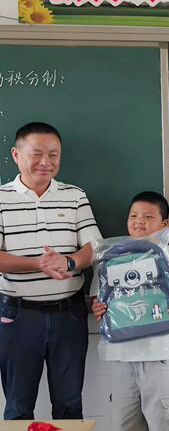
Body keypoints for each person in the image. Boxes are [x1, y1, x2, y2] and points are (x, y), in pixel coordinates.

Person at [0, 122, 102, 419]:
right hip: (17, 316)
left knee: (70, 406)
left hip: (69, 315)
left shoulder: (75, 196)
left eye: (53, 154)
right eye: (37, 154)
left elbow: (95, 247)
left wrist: (70, 262)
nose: (45, 162)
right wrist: (37, 264)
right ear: (16, 154)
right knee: (18, 407)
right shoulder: (1, 198)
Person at [91, 191, 169, 431]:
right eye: (134, 215)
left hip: (161, 354)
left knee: (167, 423)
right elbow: (98, 296)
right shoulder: (111, 256)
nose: (139, 221)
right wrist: (97, 307)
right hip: (121, 355)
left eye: (148, 216)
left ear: (164, 224)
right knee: (124, 423)